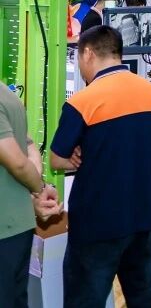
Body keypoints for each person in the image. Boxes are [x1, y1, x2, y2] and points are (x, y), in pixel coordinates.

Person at [50, 25, 151, 308]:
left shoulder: (83, 101)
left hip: (97, 222)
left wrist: (76, 154)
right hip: (144, 217)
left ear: (88, 53)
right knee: (144, 297)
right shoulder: (150, 92)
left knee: (85, 300)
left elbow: (56, 159)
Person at [1, 83, 61, 307]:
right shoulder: (8, 95)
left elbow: (17, 162)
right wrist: (40, 188)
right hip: (19, 224)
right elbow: (28, 145)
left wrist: (38, 189)